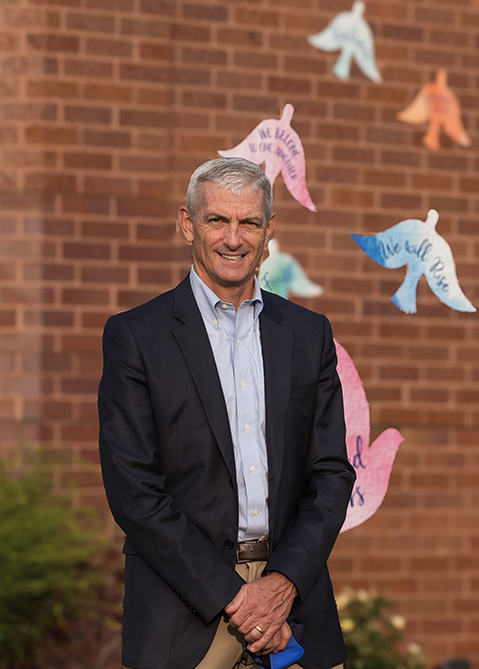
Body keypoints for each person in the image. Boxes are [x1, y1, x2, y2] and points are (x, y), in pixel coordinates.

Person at [98, 157, 356, 669]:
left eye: (249, 222)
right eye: (217, 220)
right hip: (183, 610)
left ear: (269, 231)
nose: (233, 238)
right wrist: (237, 599)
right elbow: (134, 490)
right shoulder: (136, 337)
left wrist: (281, 583)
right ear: (187, 223)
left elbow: (330, 474)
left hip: (295, 603)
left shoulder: (309, 335)